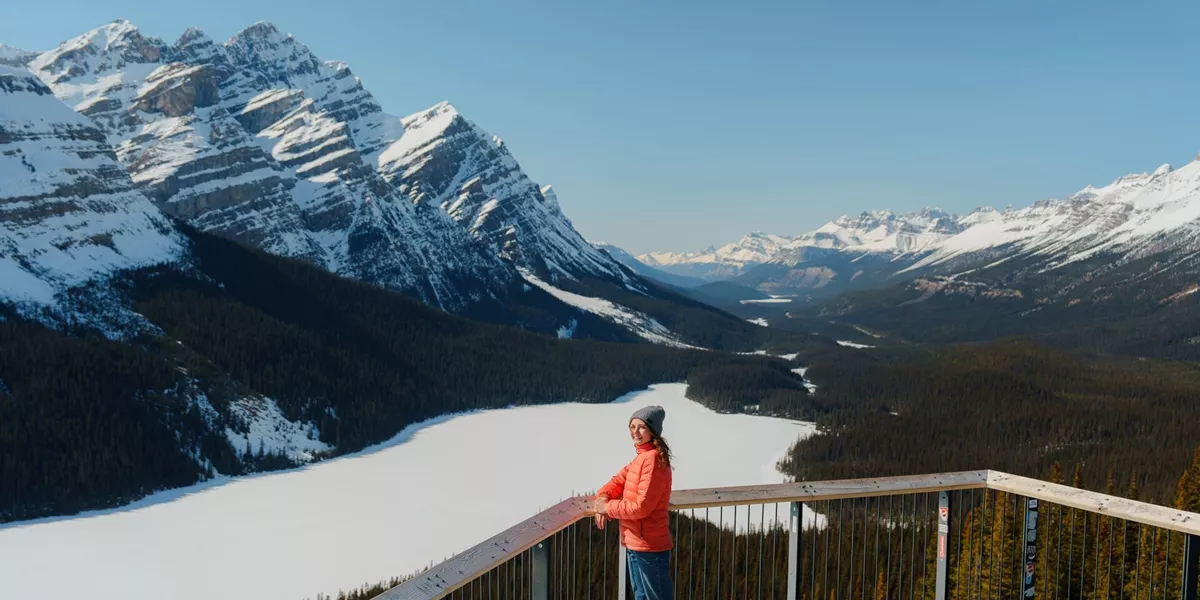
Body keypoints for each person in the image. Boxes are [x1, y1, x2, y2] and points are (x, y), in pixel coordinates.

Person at [592, 405, 675, 600]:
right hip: (635, 543)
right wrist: (603, 498)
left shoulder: (653, 460)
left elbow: (641, 507)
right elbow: (615, 482)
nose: (635, 432)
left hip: (650, 545)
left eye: (641, 427)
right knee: (641, 597)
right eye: (632, 426)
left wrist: (607, 508)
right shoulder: (641, 459)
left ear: (652, 431)